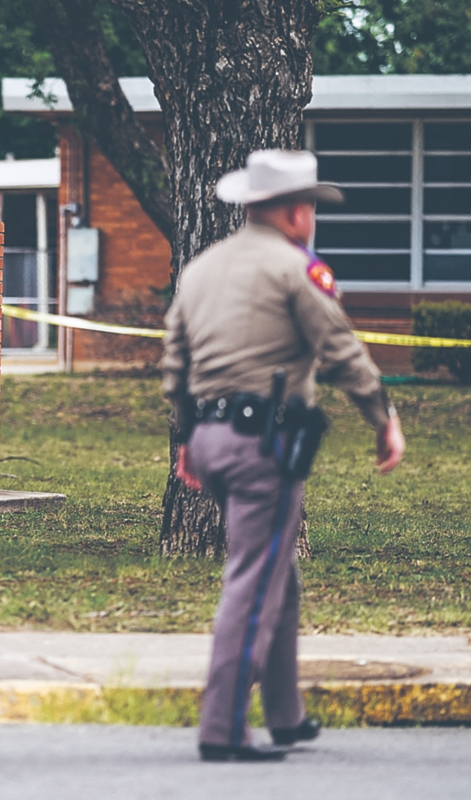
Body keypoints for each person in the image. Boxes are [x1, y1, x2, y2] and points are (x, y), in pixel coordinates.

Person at [161, 149, 406, 763]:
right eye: (312, 209)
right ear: (297, 211)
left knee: (277, 574)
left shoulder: (201, 268)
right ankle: (222, 729)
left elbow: (175, 363)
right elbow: (341, 349)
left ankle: (286, 716)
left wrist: (188, 438)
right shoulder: (295, 269)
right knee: (251, 581)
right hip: (261, 446)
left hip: (211, 441)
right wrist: (384, 420)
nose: (313, 218)